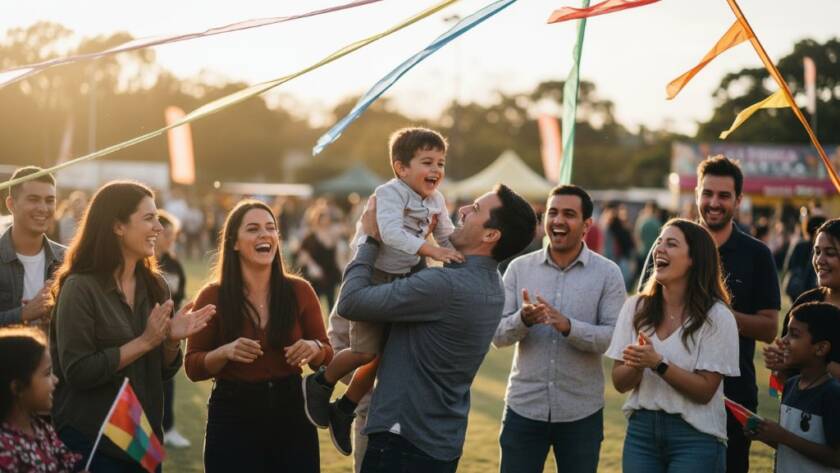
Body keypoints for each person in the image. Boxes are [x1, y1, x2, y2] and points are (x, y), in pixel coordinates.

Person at [336, 184, 536, 473]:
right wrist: (419, 245)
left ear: (491, 235)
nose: (463, 210)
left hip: (401, 440)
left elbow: (351, 302)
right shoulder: (492, 286)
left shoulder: (445, 286)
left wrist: (368, 241)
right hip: (440, 441)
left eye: (476, 209)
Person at [303, 127, 461, 457]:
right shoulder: (389, 193)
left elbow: (448, 236)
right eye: (427, 162)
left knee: (382, 357)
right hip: (371, 276)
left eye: (441, 163)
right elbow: (387, 232)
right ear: (401, 167)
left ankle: (344, 410)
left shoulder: (435, 200)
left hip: (402, 278)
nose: (436, 170)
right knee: (364, 352)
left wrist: (469, 258)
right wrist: (430, 251)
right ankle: (320, 382)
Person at [50, 180, 215, 472]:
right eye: (148, 218)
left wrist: (170, 342)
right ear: (117, 226)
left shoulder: (156, 286)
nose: (159, 228)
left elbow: (162, 371)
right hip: (93, 440)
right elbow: (77, 371)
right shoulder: (79, 288)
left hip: (142, 440)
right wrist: (145, 341)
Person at [637, 155, 780, 473]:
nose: (714, 203)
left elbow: (770, 328)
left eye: (724, 195)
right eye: (708, 193)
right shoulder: (666, 246)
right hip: (664, 394)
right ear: (697, 194)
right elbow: (644, 310)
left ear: (739, 200)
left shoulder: (756, 254)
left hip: (732, 396)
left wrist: (714, 314)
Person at [185, 199, 333, 473]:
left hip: (291, 412)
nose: (265, 234)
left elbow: (326, 354)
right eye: (253, 229)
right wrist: (225, 352)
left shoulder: (300, 290)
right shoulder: (212, 296)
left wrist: (313, 348)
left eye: (270, 228)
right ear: (234, 243)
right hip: (233, 413)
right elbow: (193, 367)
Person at [492, 185, 626, 473]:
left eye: (569, 214)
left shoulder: (608, 274)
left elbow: (612, 338)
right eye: (552, 213)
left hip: (581, 413)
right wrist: (523, 320)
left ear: (587, 224)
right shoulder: (518, 268)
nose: (558, 221)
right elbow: (497, 335)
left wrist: (569, 327)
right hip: (523, 409)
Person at [608, 219, 740, 473]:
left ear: (694, 259)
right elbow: (619, 382)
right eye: (659, 243)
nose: (659, 249)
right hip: (641, 434)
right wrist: (637, 365)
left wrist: (657, 363)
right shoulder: (636, 308)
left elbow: (704, 392)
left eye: (671, 244)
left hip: (696, 437)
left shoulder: (718, 317)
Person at [747, 302, 840, 472]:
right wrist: (767, 435)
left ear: (821, 348)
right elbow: (793, 444)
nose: (783, 341)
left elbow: (836, 457)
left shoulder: (832, 393)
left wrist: (784, 437)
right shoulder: (790, 385)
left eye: (794, 335)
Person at [764, 218, 840, 383]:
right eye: (817, 251)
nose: (819, 260)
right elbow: (784, 382)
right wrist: (780, 366)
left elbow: (802, 360)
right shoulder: (806, 302)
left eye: (830, 253)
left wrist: (809, 361)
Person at [0, 327, 82, 473]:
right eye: (47, 373)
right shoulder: (4, 447)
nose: (55, 380)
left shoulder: (42, 428)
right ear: (17, 387)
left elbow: (66, 461)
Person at [0, 166, 64, 327]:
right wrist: (23, 314)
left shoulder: (69, 260)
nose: (43, 208)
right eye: (33, 199)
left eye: (50, 200)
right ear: (11, 204)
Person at [154, 209, 191, 449]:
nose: (170, 239)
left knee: (168, 380)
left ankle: (168, 428)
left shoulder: (175, 264)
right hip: (143, 331)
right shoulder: (139, 261)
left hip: (169, 333)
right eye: (166, 234)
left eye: (173, 235)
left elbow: (178, 296)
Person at [297, 205, 342, 311]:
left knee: (331, 303)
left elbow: (336, 256)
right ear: (318, 219)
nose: (326, 220)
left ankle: (330, 327)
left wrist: (341, 268)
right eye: (323, 217)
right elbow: (303, 255)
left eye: (327, 217)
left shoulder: (333, 235)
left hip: (330, 273)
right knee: (315, 303)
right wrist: (313, 267)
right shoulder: (310, 236)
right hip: (316, 276)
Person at [783, 215, 826, 302]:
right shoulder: (819, 248)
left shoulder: (798, 245)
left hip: (795, 289)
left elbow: (788, 266)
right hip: (810, 288)